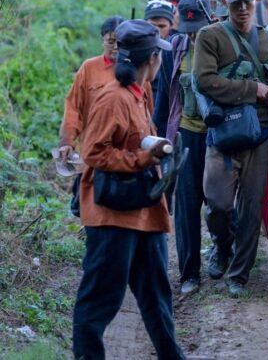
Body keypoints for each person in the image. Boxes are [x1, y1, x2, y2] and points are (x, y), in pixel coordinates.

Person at [72, 19, 185, 360]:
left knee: (156, 296)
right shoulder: (113, 98)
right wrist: (141, 157)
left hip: (143, 212)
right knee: (99, 301)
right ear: (151, 58)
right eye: (159, 55)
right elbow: (93, 151)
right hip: (111, 215)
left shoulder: (139, 94)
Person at [193, 0, 268, 297]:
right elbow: (205, 81)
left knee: (252, 208)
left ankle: (240, 274)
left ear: (255, 0)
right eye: (236, 2)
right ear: (225, 3)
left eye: (247, 1)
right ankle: (222, 244)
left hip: (260, 134)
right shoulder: (209, 36)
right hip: (224, 132)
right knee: (217, 204)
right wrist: (249, 89)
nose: (242, 8)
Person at [152, 0, 213, 296]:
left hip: (219, 135)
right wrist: (161, 141)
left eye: (198, 29)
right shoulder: (173, 51)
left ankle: (223, 254)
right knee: (187, 206)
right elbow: (164, 99)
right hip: (186, 134)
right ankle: (190, 272)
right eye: (188, 29)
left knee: (221, 204)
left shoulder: (223, 45)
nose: (193, 35)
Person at [58, 16, 126, 218]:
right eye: (110, 41)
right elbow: (74, 107)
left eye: (120, 42)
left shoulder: (134, 70)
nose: (115, 47)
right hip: (91, 151)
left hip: (124, 152)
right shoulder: (89, 68)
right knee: (89, 205)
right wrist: (67, 141)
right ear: (102, 40)